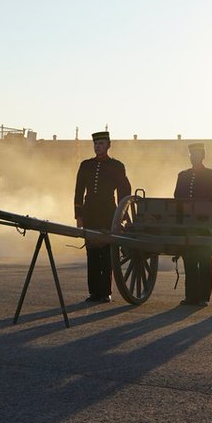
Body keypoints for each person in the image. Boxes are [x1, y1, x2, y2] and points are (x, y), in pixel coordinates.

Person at [74, 130, 131, 303]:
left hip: (108, 212)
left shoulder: (116, 166)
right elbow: (78, 191)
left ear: (108, 145)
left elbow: (124, 191)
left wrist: (122, 214)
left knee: (106, 253)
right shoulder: (86, 165)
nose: (97, 147)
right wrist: (79, 216)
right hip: (90, 212)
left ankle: (105, 291)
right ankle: (94, 292)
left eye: (101, 144)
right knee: (91, 253)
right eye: (95, 144)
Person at [174, 142, 212, 306]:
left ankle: (203, 296)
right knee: (188, 259)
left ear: (203, 156)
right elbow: (177, 200)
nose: (193, 158)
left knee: (203, 259)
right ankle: (190, 296)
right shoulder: (183, 175)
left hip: (204, 223)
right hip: (186, 224)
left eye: (196, 154)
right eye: (191, 155)